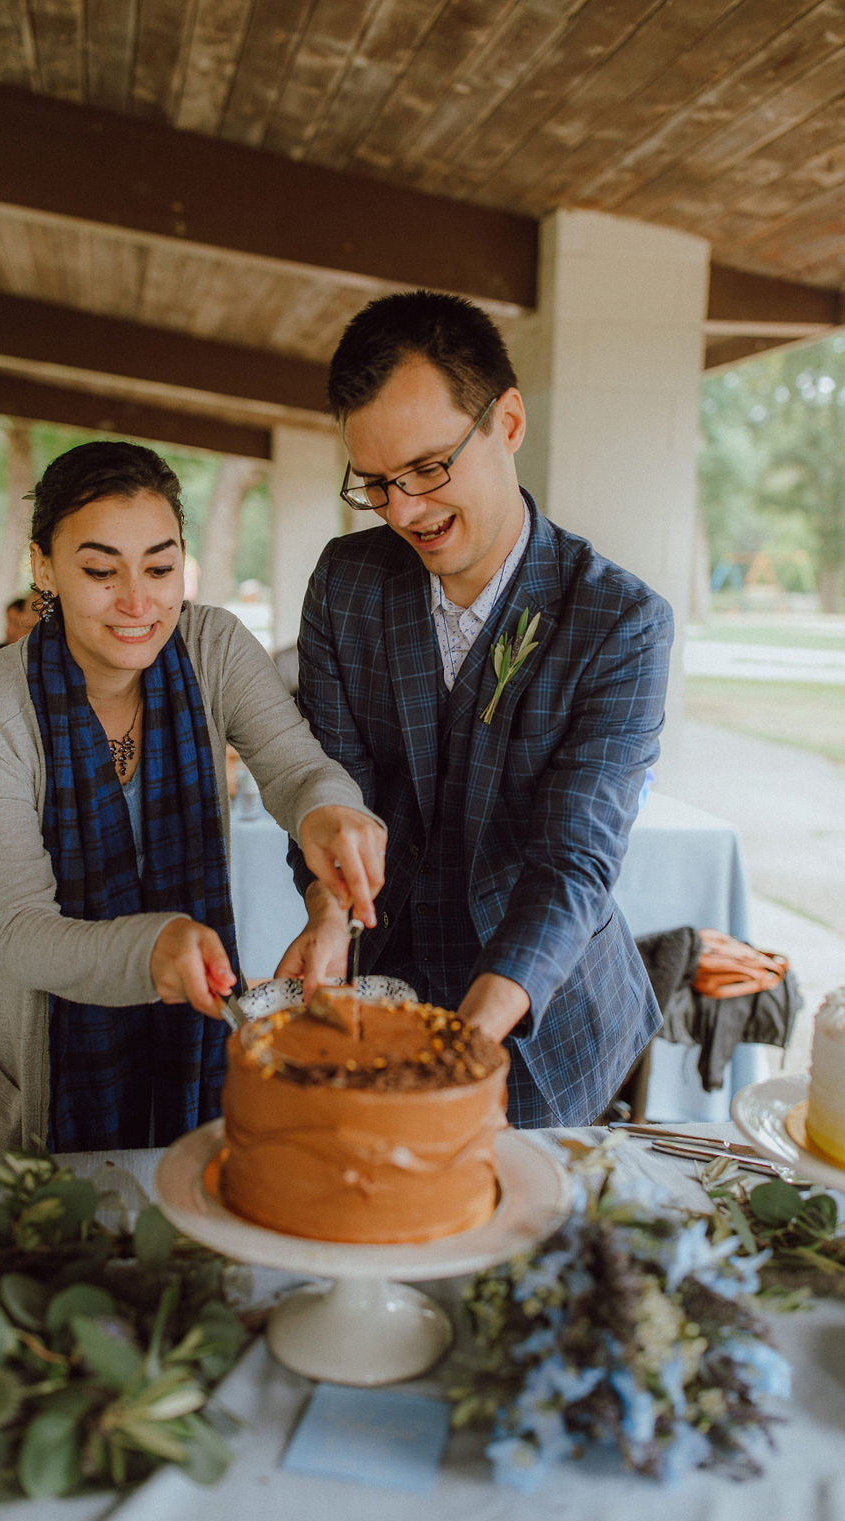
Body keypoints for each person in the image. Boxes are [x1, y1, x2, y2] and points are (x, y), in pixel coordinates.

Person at [279, 290, 674, 1128]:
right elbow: (330, 786)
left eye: (428, 469)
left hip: (543, 1024)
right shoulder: (346, 585)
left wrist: (471, 1038)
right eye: (377, 484)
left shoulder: (620, 622)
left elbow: (573, 863)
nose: (405, 511)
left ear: (509, 422)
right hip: (380, 989)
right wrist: (327, 913)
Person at [0, 440, 385, 1159]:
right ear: (43, 567)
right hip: (38, 1049)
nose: (138, 601)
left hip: (193, 1036)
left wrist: (327, 823)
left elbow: (300, 770)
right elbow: (19, 929)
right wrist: (153, 946)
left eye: (159, 565)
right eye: (99, 570)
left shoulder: (213, 647)